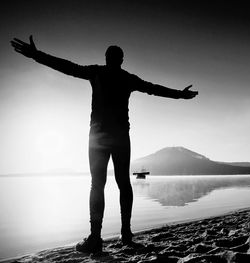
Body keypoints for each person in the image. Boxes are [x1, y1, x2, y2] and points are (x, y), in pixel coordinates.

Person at [10, 36, 198, 253]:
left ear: (108, 58)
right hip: (119, 137)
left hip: (98, 137)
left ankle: (96, 238)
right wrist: (180, 96)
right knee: (123, 183)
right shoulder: (127, 78)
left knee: (97, 184)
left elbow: (67, 67)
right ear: (122, 60)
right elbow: (154, 88)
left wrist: (37, 55)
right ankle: (125, 235)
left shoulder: (97, 72)